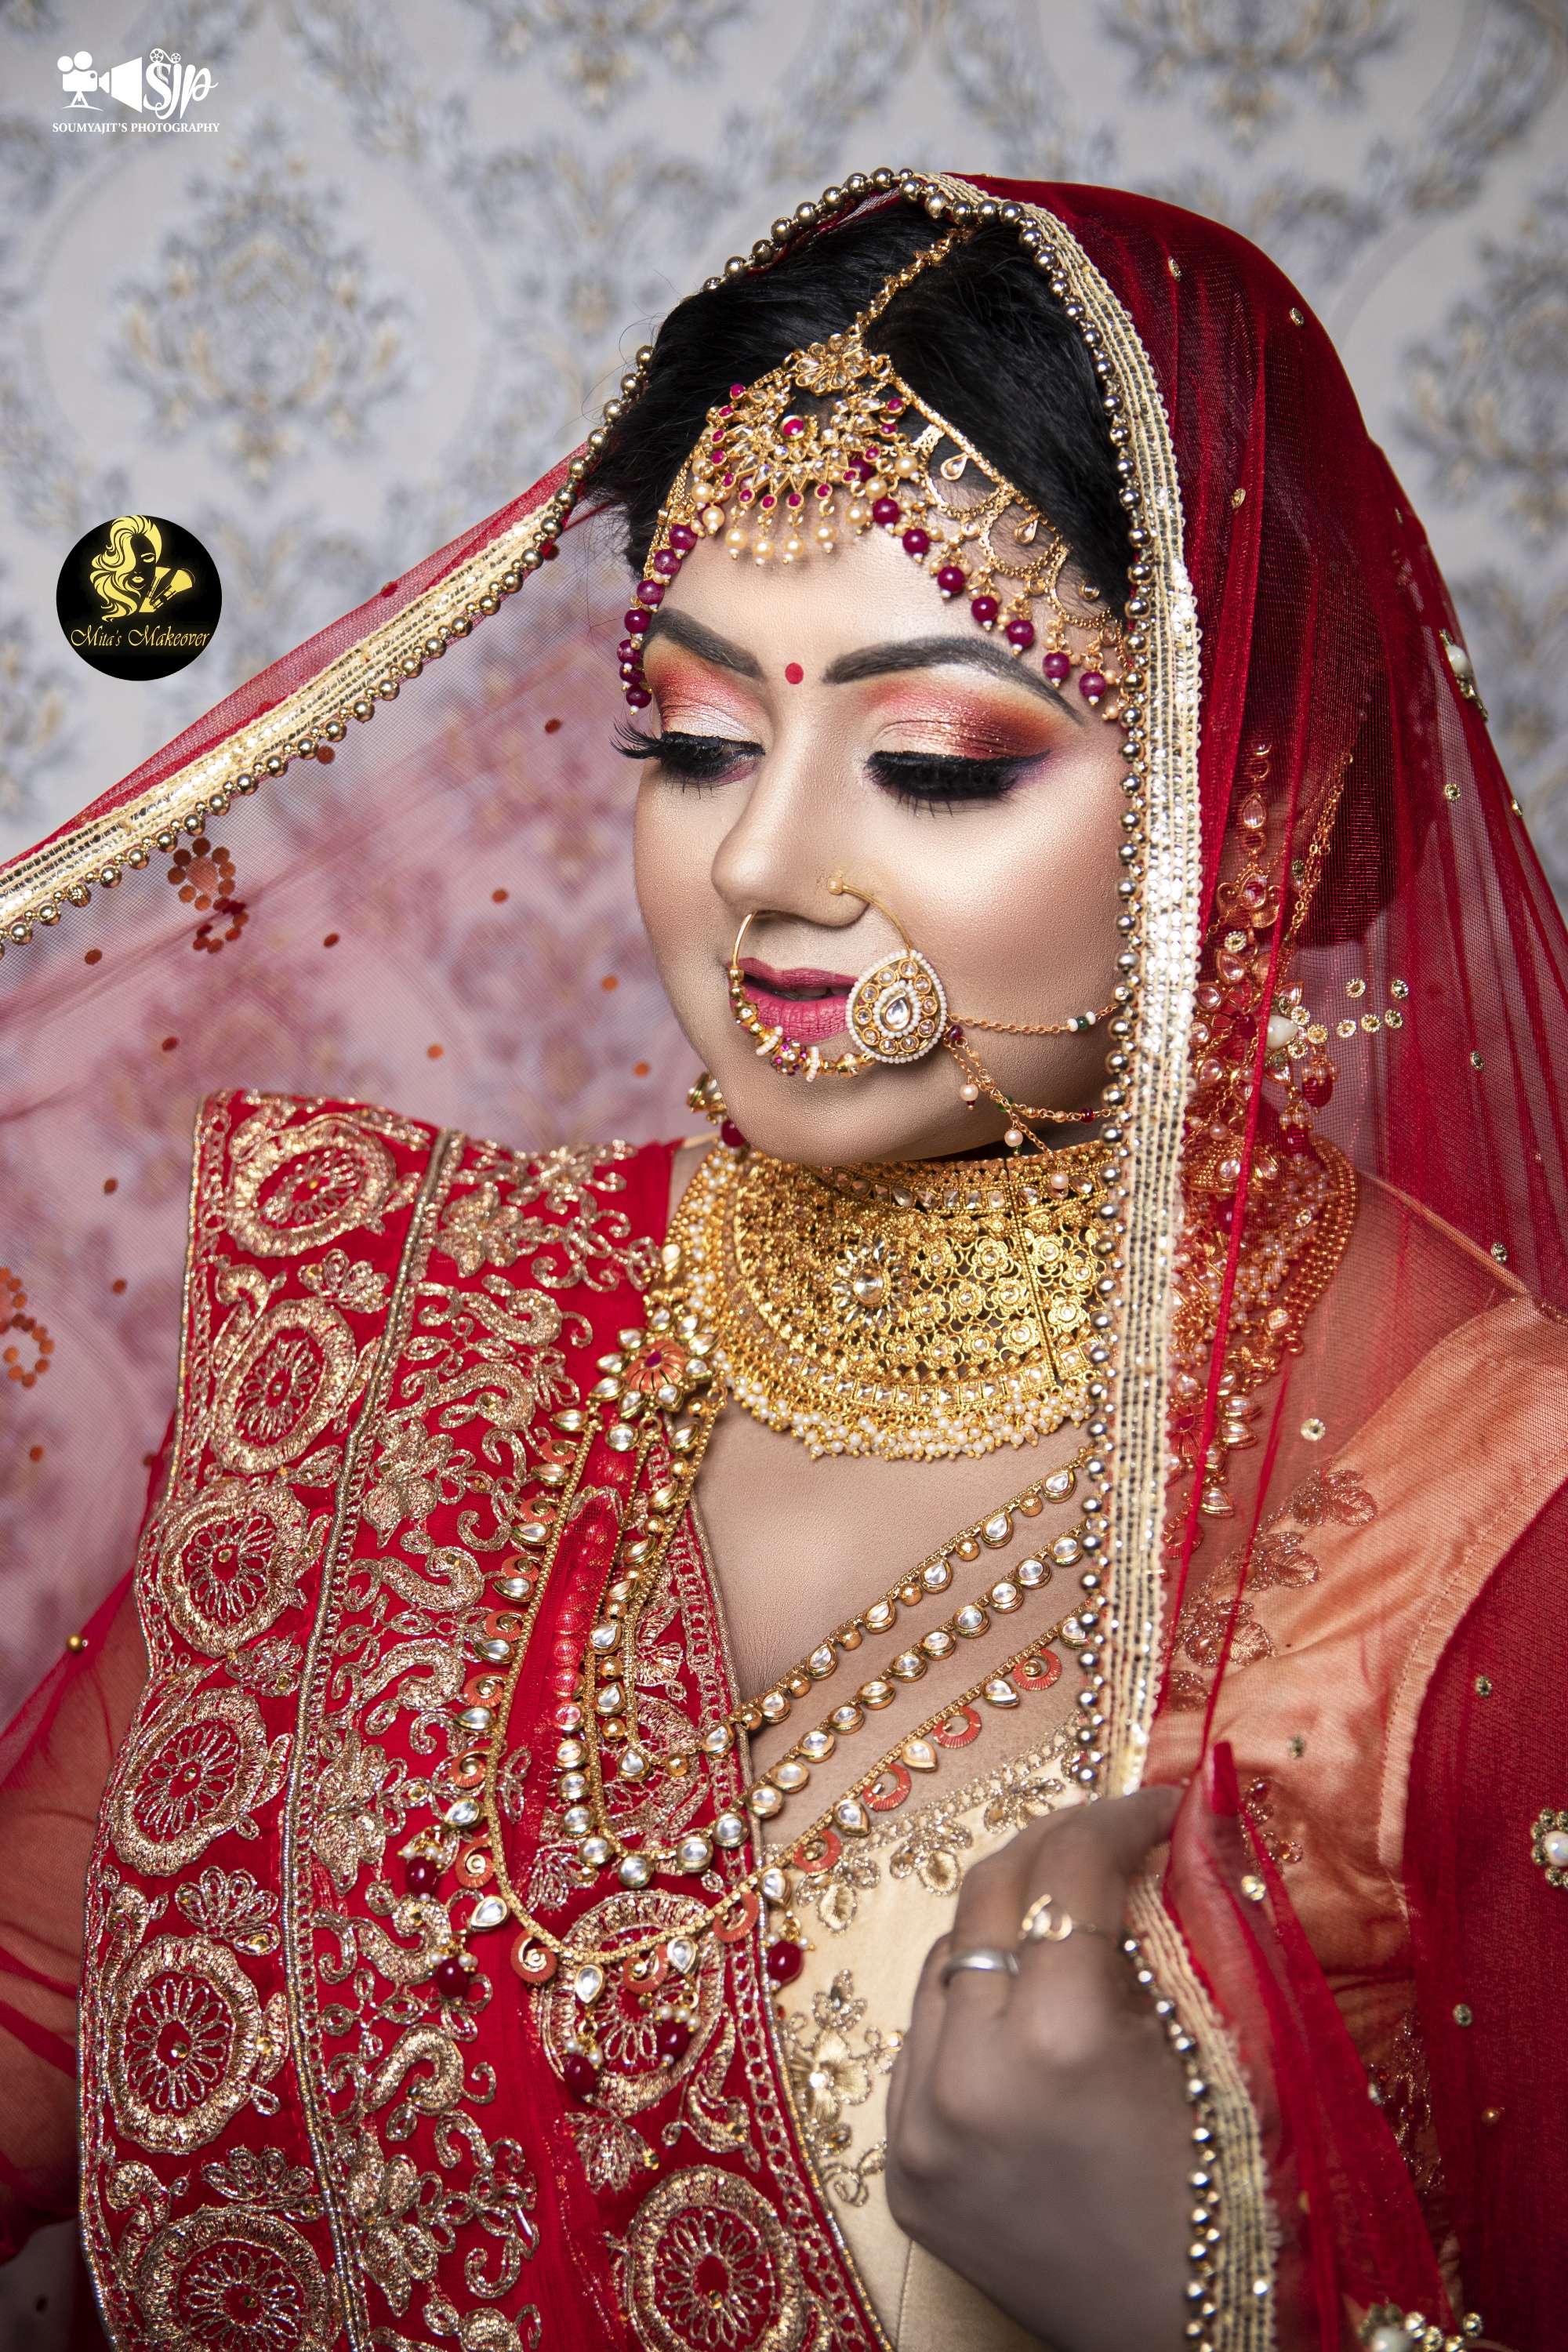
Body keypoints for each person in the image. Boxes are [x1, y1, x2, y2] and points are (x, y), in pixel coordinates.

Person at [0, 169, 1561, 2352]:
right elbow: (44, 2011)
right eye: (696, 737)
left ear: (1263, 803)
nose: (757, 857)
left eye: (934, 761)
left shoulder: (1485, 1525)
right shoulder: (412, 1332)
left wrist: (1210, 2299)